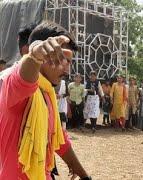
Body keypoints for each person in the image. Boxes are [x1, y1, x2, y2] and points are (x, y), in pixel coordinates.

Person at [0, 22, 90, 179]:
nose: (68, 70)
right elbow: (23, 78)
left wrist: (85, 176)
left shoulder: (47, 91)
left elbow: (60, 140)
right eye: (64, 60)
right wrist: (35, 56)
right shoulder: (12, 81)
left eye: (70, 62)